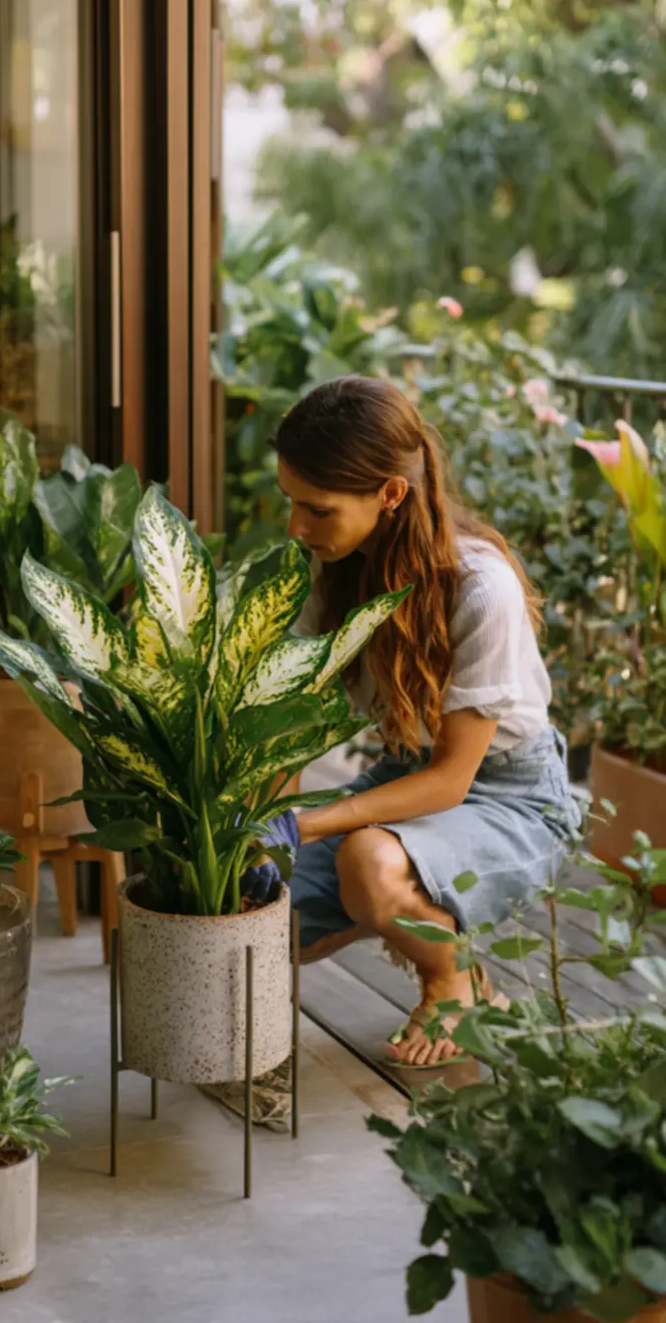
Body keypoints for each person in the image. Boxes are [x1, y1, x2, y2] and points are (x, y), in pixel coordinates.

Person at [249, 375, 581, 1083]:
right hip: (409, 778)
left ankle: (447, 979)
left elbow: (452, 779)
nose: (296, 527)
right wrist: (257, 830)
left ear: (389, 495)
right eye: (291, 503)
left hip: (511, 795)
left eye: (317, 509)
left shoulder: (479, 589)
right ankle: (426, 924)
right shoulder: (336, 569)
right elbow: (288, 711)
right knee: (259, 917)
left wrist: (307, 825)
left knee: (365, 861)